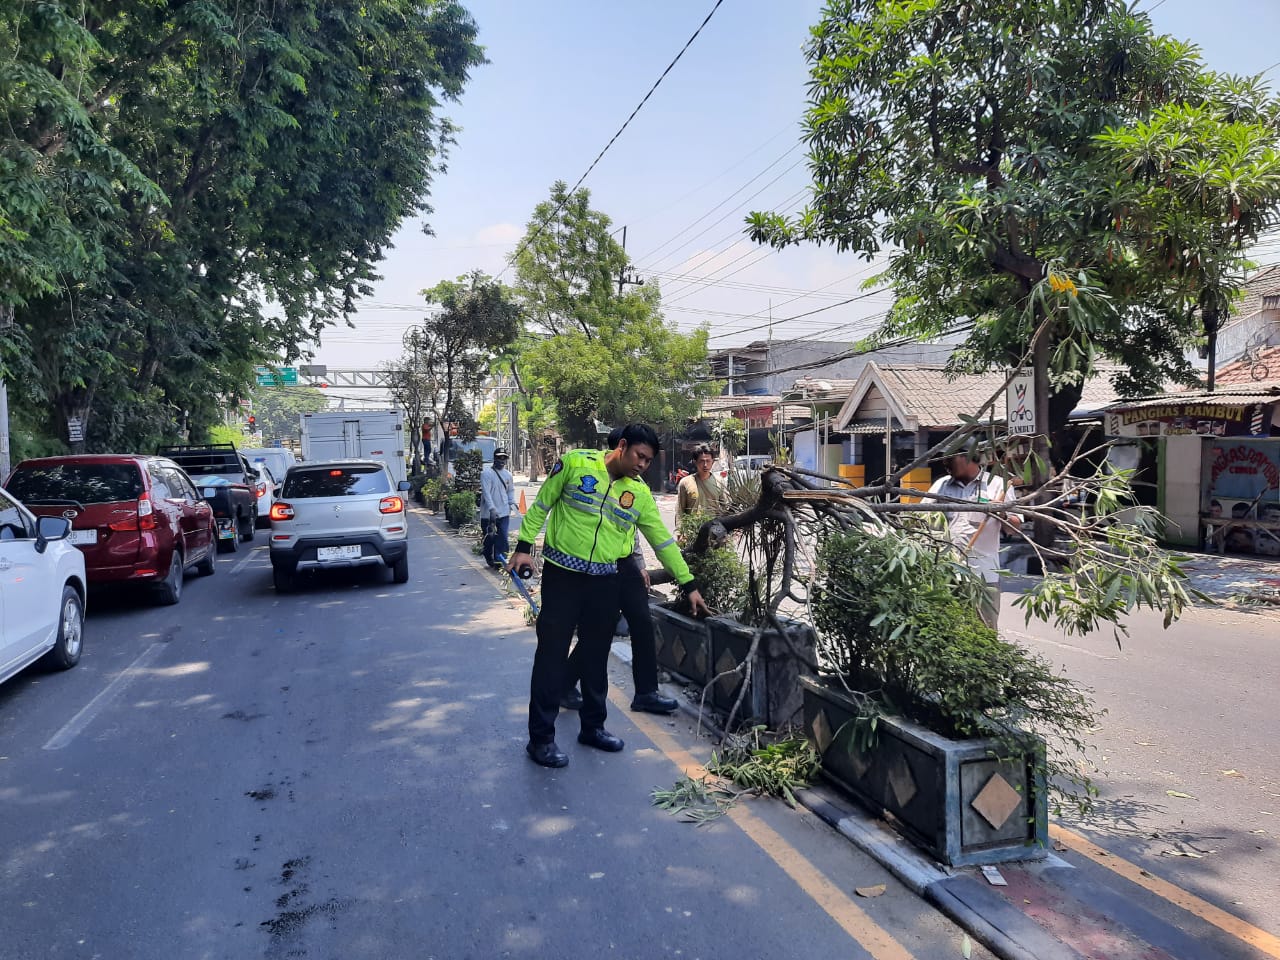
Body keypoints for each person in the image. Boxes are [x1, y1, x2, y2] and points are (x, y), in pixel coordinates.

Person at [508, 424, 709, 768]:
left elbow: (662, 542)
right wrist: (524, 547)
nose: (642, 465)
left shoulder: (639, 494)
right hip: (562, 576)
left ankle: (593, 728)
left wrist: (688, 584)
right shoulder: (576, 463)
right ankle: (541, 739)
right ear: (622, 445)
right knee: (551, 657)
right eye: (639, 456)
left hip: (604, 582)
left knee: (595, 657)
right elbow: (542, 504)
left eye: (648, 461)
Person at [925, 446, 1021, 629]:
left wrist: (1001, 514)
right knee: (946, 629)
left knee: (984, 629)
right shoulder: (941, 485)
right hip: (947, 572)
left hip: (983, 575)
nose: (945, 463)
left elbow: (1014, 528)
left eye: (950, 458)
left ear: (968, 458)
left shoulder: (998, 485)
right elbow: (921, 519)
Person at [479, 448, 517, 568]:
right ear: (494, 458)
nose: (502, 460)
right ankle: (487, 554)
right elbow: (486, 493)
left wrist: (512, 503)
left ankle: (500, 561)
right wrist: (492, 508)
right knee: (490, 538)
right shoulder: (486, 474)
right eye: (499, 457)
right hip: (489, 513)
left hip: (504, 512)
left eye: (504, 458)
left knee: (503, 538)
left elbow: (510, 491)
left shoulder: (508, 475)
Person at [676, 444, 726, 519]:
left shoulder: (719, 482)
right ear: (695, 462)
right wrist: (679, 526)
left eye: (708, 461)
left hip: (713, 525)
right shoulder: (685, 483)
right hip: (692, 525)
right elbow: (680, 510)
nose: (705, 465)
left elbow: (725, 507)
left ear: (712, 461)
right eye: (702, 461)